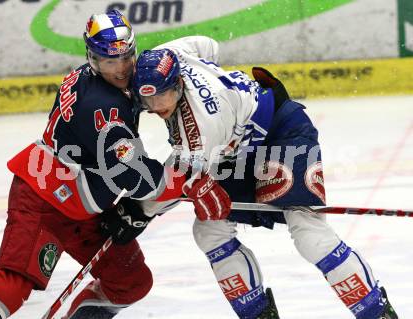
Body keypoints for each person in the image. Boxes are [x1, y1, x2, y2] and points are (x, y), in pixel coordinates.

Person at [132, 36, 399, 319]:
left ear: (178, 83)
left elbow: (178, 180)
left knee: (309, 233)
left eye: (162, 95)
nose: (155, 105)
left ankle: (378, 314)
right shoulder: (168, 55)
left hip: (281, 131)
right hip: (237, 148)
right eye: (147, 98)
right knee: (210, 230)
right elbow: (208, 45)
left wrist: (136, 211)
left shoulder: (201, 128)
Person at [0, 10, 187, 319]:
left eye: (126, 57)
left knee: (130, 281)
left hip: (80, 204)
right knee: (12, 286)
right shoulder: (102, 107)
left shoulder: (90, 79)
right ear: (93, 58)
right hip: (43, 201)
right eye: (111, 62)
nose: (123, 69)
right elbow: (133, 172)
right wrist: (183, 181)